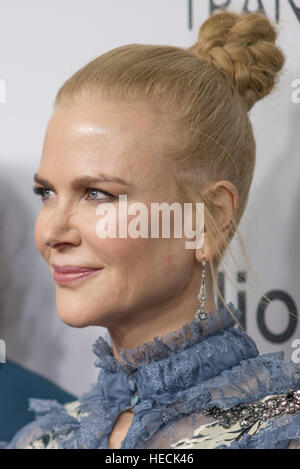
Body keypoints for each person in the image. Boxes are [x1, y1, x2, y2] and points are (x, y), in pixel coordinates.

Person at [1, 10, 300, 449]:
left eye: (98, 193)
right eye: (46, 193)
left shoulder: (284, 433)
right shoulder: (39, 439)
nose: (52, 231)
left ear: (208, 219)